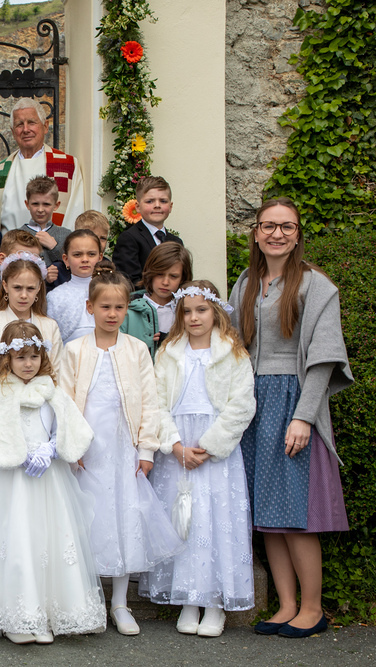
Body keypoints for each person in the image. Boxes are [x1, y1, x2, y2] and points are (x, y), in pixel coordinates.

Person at [0, 321, 106, 644]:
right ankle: (14, 616)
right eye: (20, 357)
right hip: (7, 482)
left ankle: (42, 613)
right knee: (12, 539)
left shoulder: (51, 391)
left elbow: (73, 428)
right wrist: (18, 453)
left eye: (34, 357)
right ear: (6, 359)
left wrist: (51, 448)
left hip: (47, 482)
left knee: (45, 540)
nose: (28, 364)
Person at [229, 198, 352, 639]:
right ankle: (286, 604)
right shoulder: (246, 282)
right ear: (256, 233)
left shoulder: (316, 285)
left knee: (295, 513)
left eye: (286, 226)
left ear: (298, 234)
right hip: (253, 402)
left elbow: (323, 358)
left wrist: (303, 417)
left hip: (292, 399)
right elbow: (232, 345)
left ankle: (313, 609)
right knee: (268, 512)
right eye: (268, 226)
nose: (276, 234)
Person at [60, 263, 182, 636]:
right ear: (90, 308)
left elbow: (150, 401)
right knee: (89, 519)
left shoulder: (137, 350)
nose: (112, 314)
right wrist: (72, 447)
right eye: (105, 307)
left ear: (127, 308)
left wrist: (146, 450)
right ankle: (88, 600)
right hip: (88, 449)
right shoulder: (74, 350)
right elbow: (64, 402)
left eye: (119, 307)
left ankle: (119, 602)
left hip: (123, 447)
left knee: (123, 518)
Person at [139, 281, 256, 638]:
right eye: (186, 311)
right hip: (179, 447)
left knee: (213, 519)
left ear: (216, 312)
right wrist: (175, 445)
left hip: (214, 449)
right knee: (183, 521)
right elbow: (156, 401)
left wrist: (209, 446)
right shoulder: (169, 352)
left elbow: (242, 404)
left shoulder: (233, 353)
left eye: (201, 310)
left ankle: (215, 602)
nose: (193, 317)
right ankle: (189, 598)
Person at [0, 98, 85, 234]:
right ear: (13, 132)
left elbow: (75, 214)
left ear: (45, 126)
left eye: (31, 122)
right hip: (9, 246)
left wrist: (60, 245)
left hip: (54, 246)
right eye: (19, 124)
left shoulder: (67, 166)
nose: (26, 129)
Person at [0, 253, 63, 391]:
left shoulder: (49, 326)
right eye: (17, 288)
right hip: (0, 398)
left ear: (39, 288)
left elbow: (56, 372)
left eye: (30, 288)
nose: (24, 295)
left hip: (42, 398)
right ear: (5, 286)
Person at [121, 242, 193, 359]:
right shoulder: (128, 309)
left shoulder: (188, 310)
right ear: (150, 272)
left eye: (173, 276)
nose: (165, 282)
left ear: (183, 278)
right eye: (160, 274)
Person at [112, 176, 184, 288]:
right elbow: (129, 282)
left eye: (163, 201)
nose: (157, 205)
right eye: (150, 201)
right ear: (138, 207)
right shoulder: (129, 239)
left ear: (170, 206)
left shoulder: (176, 242)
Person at [47, 230, 103, 343]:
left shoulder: (110, 291)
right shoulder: (56, 296)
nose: (85, 259)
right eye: (77, 254)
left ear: (100, 257)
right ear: (66, 259)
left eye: (91, 254)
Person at [0, 229, 43, 315]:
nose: (25, 266)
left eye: (33, 261)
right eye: (19, 260)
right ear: (2, 259)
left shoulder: (42, 292)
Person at [21, 176, 72, 268]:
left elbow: (72, 266)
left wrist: (54, 247)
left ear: (56, 205)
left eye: (46, 204)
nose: (40, 210)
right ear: (27, 204)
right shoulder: (16, 235)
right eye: (35, 204)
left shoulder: (66, 235)